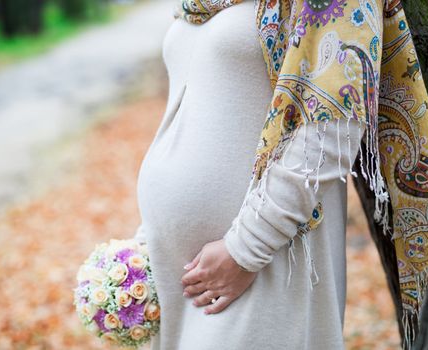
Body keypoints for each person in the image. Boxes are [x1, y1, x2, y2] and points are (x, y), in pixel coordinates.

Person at [132, 1, 365, 349]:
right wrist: (148, 238)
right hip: (179, 275)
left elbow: (332, 128)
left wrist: (245, 250)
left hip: (263, 261)